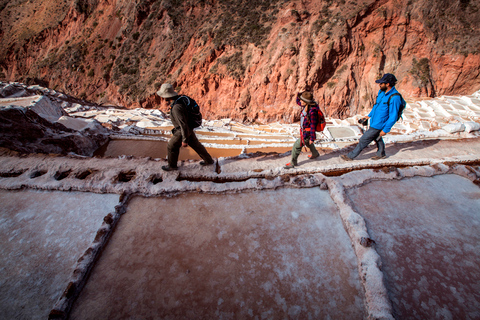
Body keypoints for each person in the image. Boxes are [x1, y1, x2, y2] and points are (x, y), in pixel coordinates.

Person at [340, 73, 402, 161]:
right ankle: (381, 154)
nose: (379, 85)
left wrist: (386, 129)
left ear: (388, 84)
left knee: (363, 140)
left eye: (381, 83)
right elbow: (376, 106)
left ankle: (350, 156)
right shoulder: (382, 92)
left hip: (380, 124)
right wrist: (368, 116)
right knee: (377, 138)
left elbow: (393, 116)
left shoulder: (395, 98)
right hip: (374, 121)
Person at [157, 83, 214, 171]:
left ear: (167, 96)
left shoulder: (176, 107)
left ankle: (172, 166)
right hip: (189, 128)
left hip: (182, 131)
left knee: (171, 146)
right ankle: (209, 160)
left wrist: (184, 140)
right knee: (197, 145)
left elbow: (182, 124)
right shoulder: (180, 100)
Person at [284, 91, 321, 169]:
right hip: (304, 131)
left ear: (306, 102)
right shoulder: (306, 106)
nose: (300, 101)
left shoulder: (312, 112)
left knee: (296, 146)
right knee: (308, 143)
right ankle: (315, 154)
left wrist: (312, 138)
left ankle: (293, 163)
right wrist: (298, 95)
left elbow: (313, 125)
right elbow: (298, 102)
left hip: (307, 133)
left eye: (302, 100)